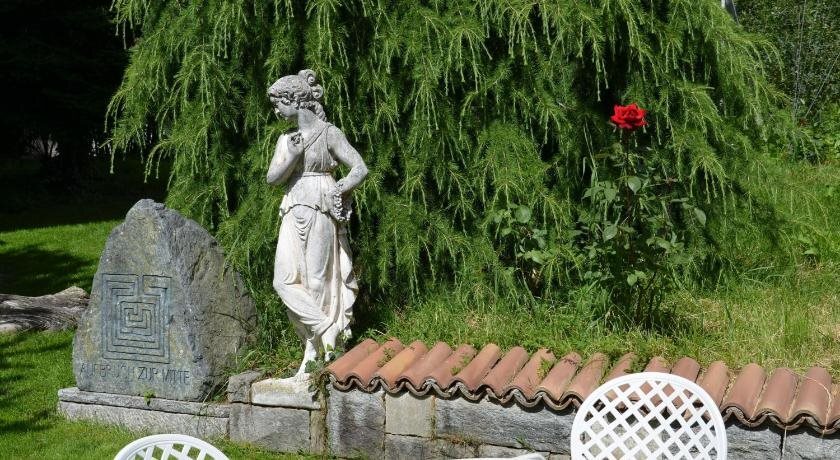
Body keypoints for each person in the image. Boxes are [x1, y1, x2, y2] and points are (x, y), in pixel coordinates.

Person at [266, 69, 368, 380]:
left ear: (293, 100)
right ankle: (326, 328)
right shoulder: (287, 140)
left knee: (316, 281)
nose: (276, 111)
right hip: (293, 205)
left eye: (277, 104)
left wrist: (339, 189)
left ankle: (315, 353)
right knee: (283, 280)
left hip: (320, 202)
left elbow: (359, 167)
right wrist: (292, 155)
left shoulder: (329, 134)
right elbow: (272, 178)